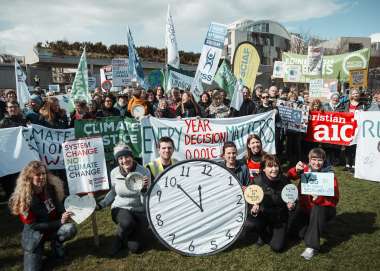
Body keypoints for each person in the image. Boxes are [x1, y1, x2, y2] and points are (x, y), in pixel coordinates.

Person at [8, 161, 77, 270]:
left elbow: (58, 208)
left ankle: (56, 245)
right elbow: (33, 226)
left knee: (70, 228)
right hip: (35, 235)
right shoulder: (23, 199)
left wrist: (64, 213)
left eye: (44, 174)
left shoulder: (50, 188)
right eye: (38, 174)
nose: (42, 177)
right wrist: (60, 222)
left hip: (52, 227)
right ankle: (39, 252)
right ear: (30, 177)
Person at [97, 143, 151, 256]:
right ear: (117, 160)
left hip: (139, 209)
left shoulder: (144, 172)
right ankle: (118, 240)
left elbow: (146, 199)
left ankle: (132, 231)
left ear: (132, 157)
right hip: (121, 208)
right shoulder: (114, 173)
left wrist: (144, 189)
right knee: (127, 222)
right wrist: (102, 204)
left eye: (127, 156)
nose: (124, 160)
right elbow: (112, 192)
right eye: (120, 158)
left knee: (135, 248)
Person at [288, 148, 339, 260]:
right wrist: (295, 170)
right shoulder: (305, 169)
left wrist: (319, 198)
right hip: (305, 208)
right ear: (309, 160)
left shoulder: (329, 175)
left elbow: (334, 199)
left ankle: (311, 246)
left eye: (319, 160)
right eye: (313, 159)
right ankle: (314, 229)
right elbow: (290, 176)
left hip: (324, 209)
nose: (316, 163)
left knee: (318, 207)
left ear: (324, 160)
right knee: (298, 234)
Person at [246, 154, 294, 252]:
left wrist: (291, 205)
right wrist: (254, 208)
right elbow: (250, 200)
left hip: (280, 218)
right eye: (270, 166)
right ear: (263, 169)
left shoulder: (285, 180)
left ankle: (268, 234)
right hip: (263, 215)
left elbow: (293, 197)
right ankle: (263, 232)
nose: (274, 169)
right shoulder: (256, 181)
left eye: (276, 166)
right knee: (250, 223)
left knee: (277, 247)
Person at [341, 89, 366, 172]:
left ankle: (354, 165)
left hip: (358, 128)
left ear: (359, 95)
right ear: (351, 95)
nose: (355, 94)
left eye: (357, 93)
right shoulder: (346, 104)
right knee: (347, 147)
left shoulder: (363, 105)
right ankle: (347, 164)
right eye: (354, 93)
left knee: (356, 147)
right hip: (347, 128)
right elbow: (339, 113)